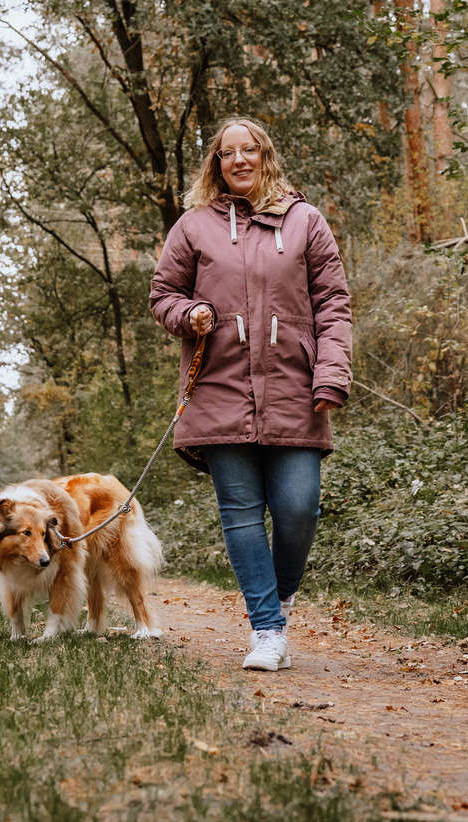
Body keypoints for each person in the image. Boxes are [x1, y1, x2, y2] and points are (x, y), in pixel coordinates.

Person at [149, 117, 351, 672]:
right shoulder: (192, 226)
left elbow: (333, 304)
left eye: (250, 150)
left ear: (266, 156)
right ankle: (267, 630)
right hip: (218, 385)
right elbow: (162, 294)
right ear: (216, 163)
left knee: (297, 507)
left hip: (294, 386)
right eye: (227, 153)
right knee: (240, 513)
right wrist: (187, 314)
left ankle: (278, 600)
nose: (239, 160)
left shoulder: (306, 221)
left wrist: (331, 374)